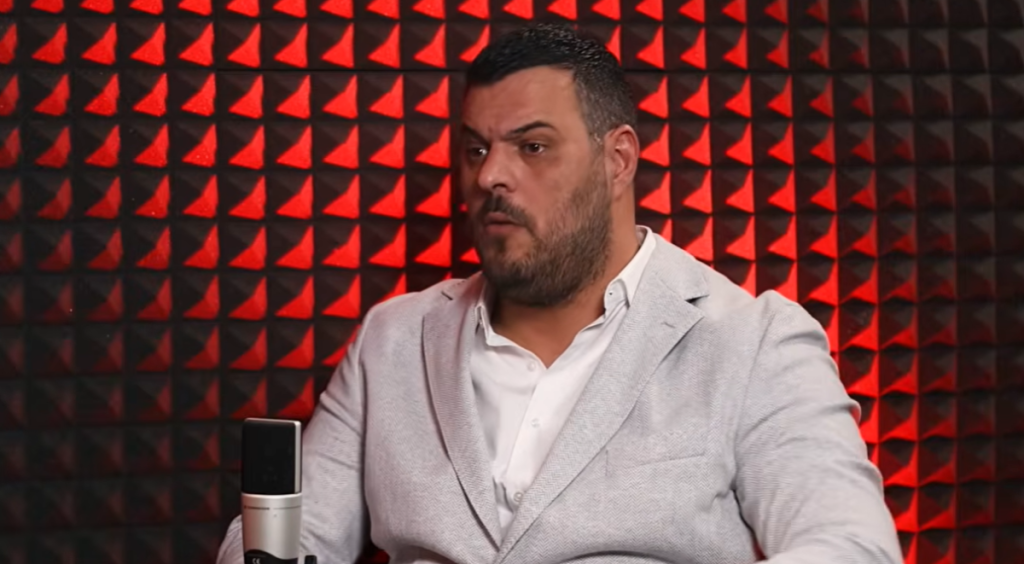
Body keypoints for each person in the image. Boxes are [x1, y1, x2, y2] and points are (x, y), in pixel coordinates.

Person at [216, 23, 903, 564]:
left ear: (618, 160)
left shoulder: (753, 342)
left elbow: (851, 547)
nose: (491, 176)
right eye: (476, 149)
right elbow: (285, 540)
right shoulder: (392, 339)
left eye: (532, 147)